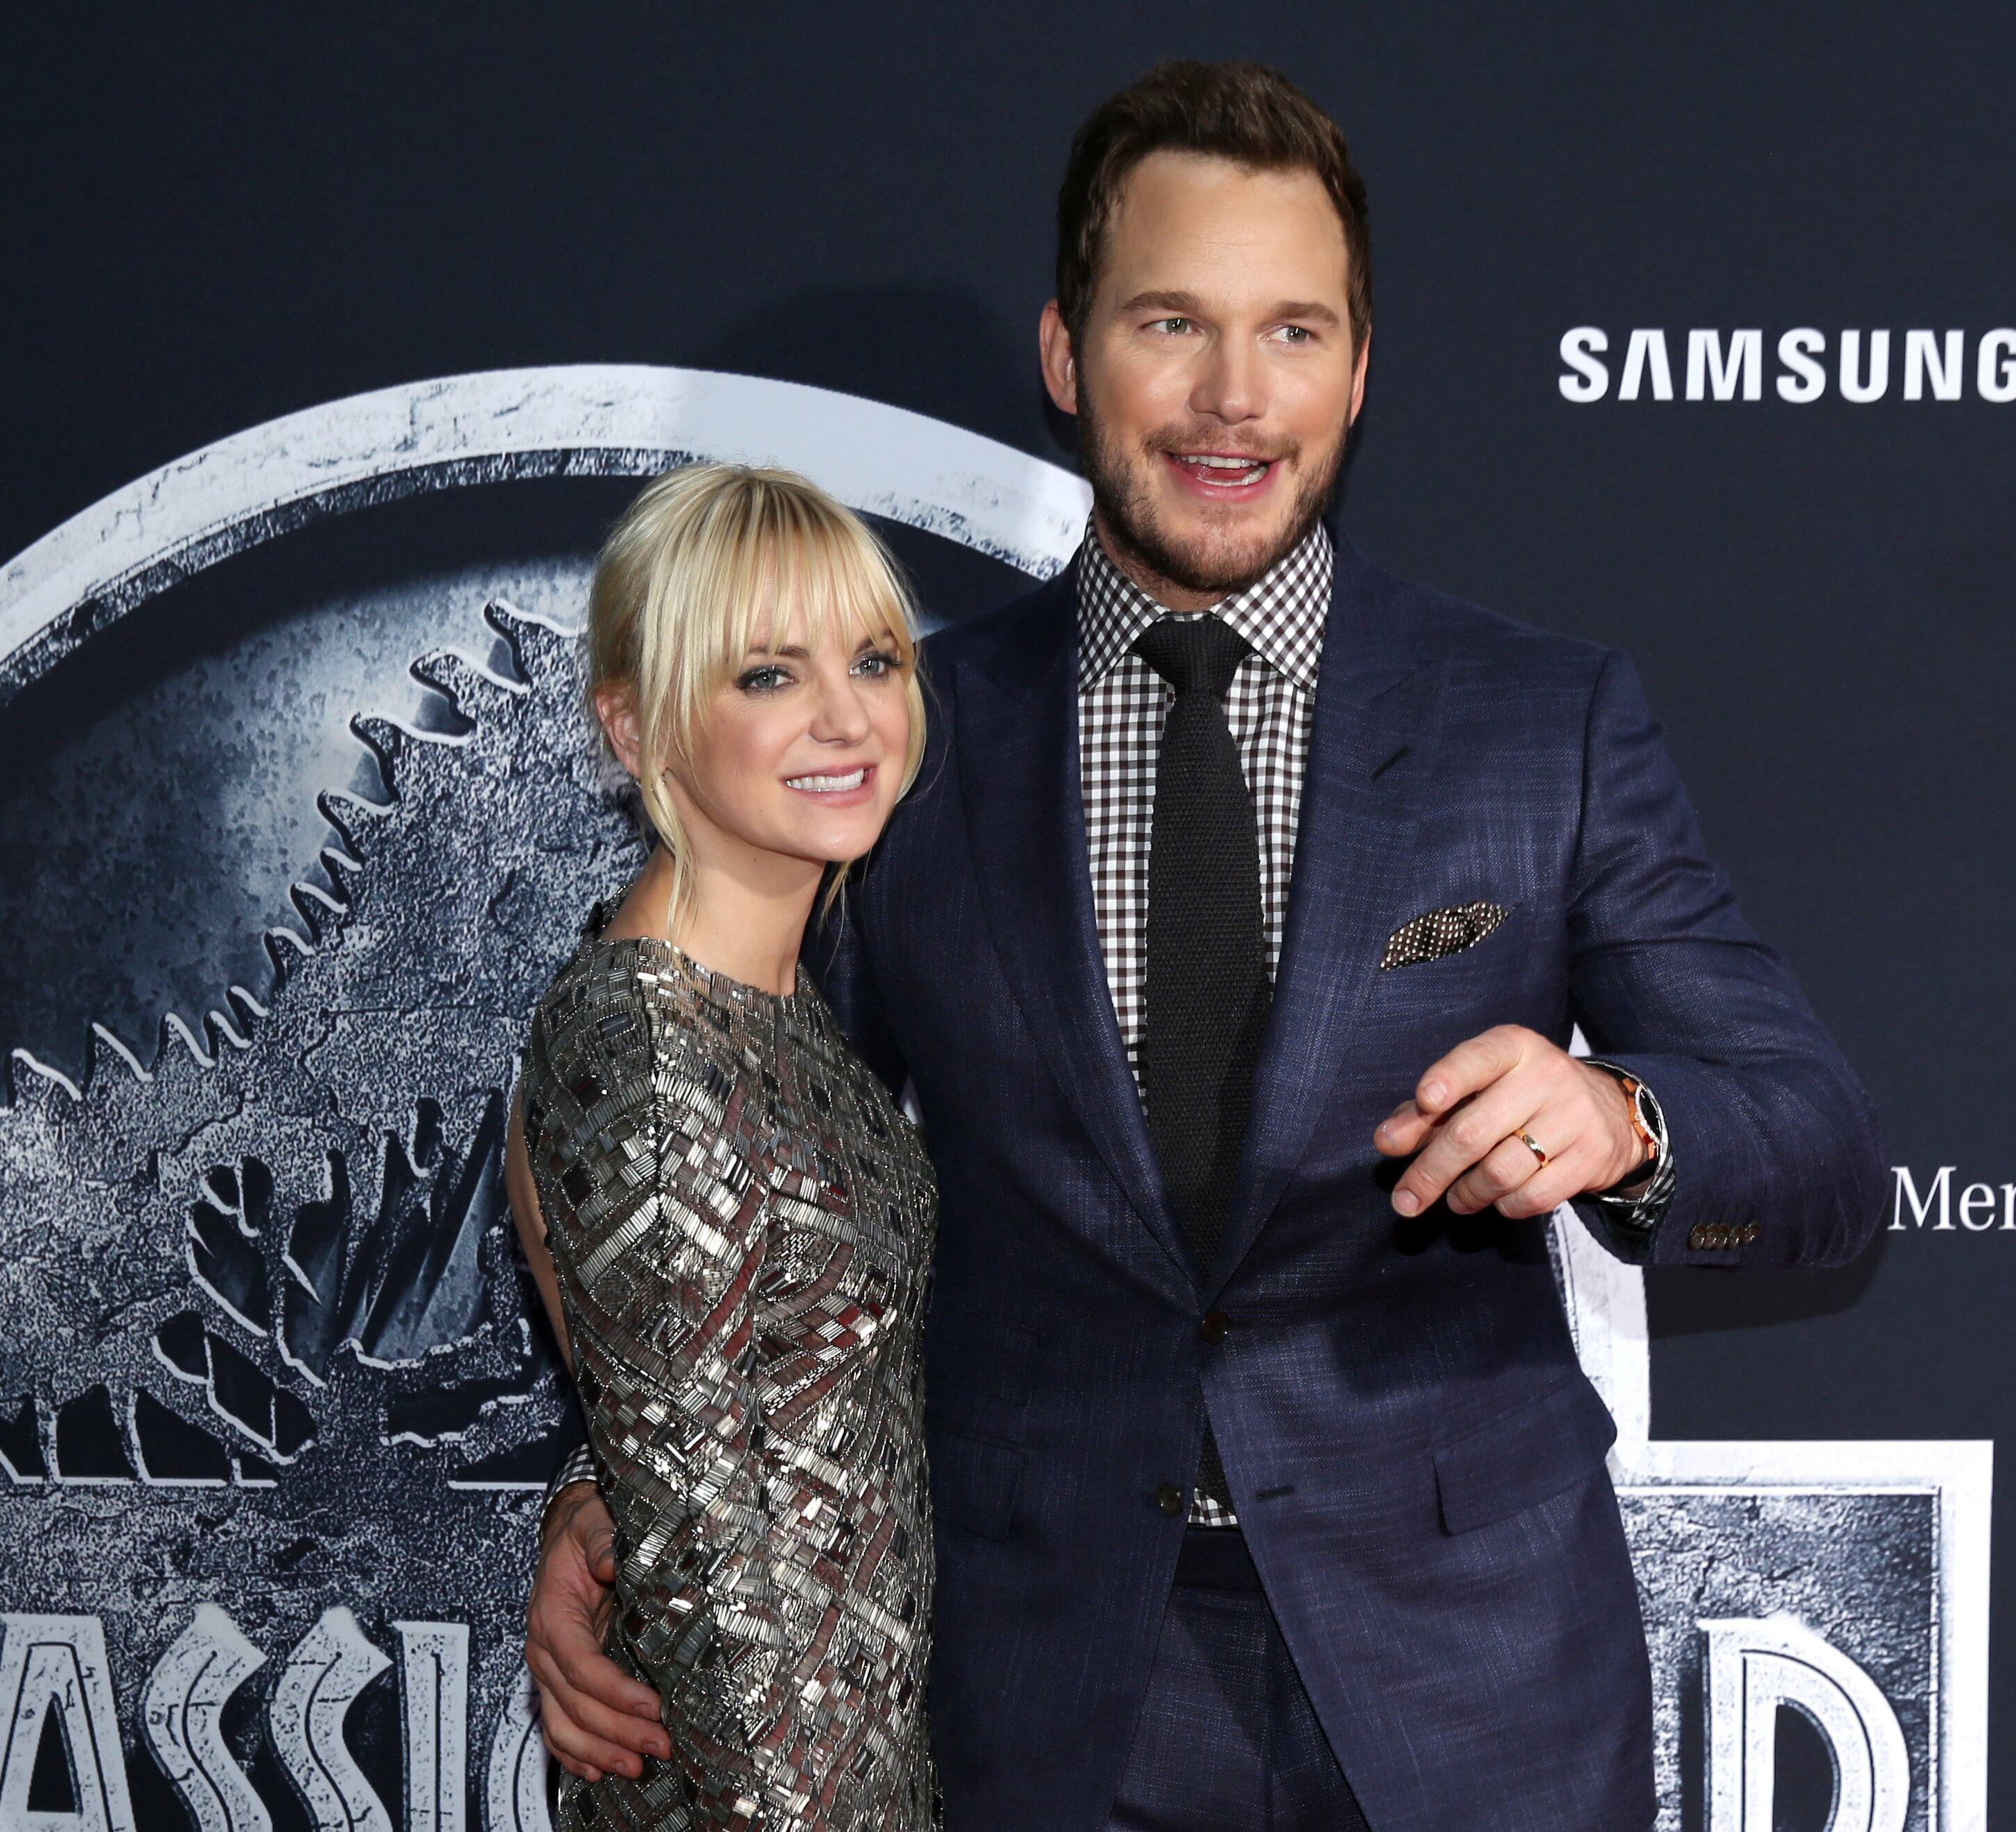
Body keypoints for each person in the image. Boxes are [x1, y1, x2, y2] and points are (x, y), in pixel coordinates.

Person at [527, 61, 1882, 1832]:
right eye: (1173, 321)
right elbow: (740, 1126)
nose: (1234, 397)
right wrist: (613, 1475)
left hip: (1466, 1683)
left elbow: (1820, 1141)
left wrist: (1627, 1118)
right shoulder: (904, 744)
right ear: (1067, 352)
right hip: (1044, 1674)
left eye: (1294, 331)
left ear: (1362, 368)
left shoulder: (1534, 722)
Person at [505, 464, 938, 1831]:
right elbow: (706, 1551)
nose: (844, 713)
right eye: (767, 673)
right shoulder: (644, 1034)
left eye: (872, 658)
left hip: (851, 1767)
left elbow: (714, 1377)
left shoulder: (767, 993)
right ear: (635, 726)